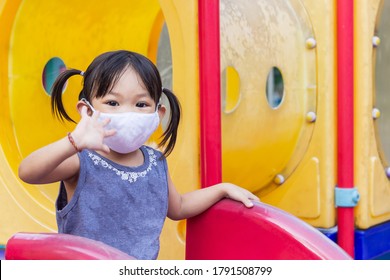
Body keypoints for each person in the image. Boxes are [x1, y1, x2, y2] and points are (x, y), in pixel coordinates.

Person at [18, 50, 259, 260]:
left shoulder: (155, 163)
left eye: (141, 104)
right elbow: (28, 172)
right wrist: (73, 142)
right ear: (86, 110)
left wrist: (222, 189)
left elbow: (179, 207)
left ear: (158, 113)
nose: (128, 113)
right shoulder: (82, 160)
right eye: (112, 103)